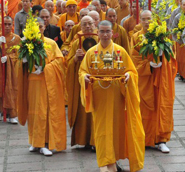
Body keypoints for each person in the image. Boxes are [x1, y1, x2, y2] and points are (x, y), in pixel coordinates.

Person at [79, 20, 145, 171]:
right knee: (102, 131)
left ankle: (112, 162)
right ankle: (105, 163)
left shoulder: (120, 51)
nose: (104, 35)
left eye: (107, 31)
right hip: (99, 97)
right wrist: (84, 78)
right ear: (97, 33)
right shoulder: (91, 52)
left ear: (112, 33)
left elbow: (131, 70)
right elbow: (82, 71)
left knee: (116, 131)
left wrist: (128, 76)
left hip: (117, 98)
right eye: (101, 31)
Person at [15, 17, 66, 156]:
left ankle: (45, 143)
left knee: (45, 112)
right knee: (34, 112)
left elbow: (60, 62)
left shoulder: (50, 43)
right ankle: (34, 141)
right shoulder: (25, 43)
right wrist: (24, 61)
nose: (39, 28)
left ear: (45, 27)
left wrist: (45, 68)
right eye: (35, 26)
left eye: (41, 26)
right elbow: (19, 64)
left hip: (47, 83)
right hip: (32, 82)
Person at [130, 11, 176, 154]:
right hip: (145, 79)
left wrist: (163, 58)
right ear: (140, 21)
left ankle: (161, 140)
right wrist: (149, 66)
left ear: (153, 20)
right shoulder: (136, 37)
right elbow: (134, 59)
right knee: (145, 109)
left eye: (149, 19)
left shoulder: (162, 36)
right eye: (143, 19)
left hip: (161, 79)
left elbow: (172, 58)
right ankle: (145, 139)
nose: (146, 22)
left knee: (162, 107)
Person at [66, 16, 97, 148]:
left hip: (98, 81)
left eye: (90, 24)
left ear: (95, 24)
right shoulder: (75, 43)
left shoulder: (100, 39)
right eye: (84, 24)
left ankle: (96, 141)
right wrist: (75, 59)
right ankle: (84, 140)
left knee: (97, 111)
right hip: (82, 82)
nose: (88, 27)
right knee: (84, 111)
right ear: (81, 27)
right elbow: (68, 63)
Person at [0, 16, 21, 124]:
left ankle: (12, 114)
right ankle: (2, 111)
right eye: (5, 24)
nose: (7, 26)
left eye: (9, 24)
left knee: (11, 90)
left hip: (11, 70)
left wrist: (9, 58)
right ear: (2, 25)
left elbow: (19, 55)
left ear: (12, 25)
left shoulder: (16, 38)